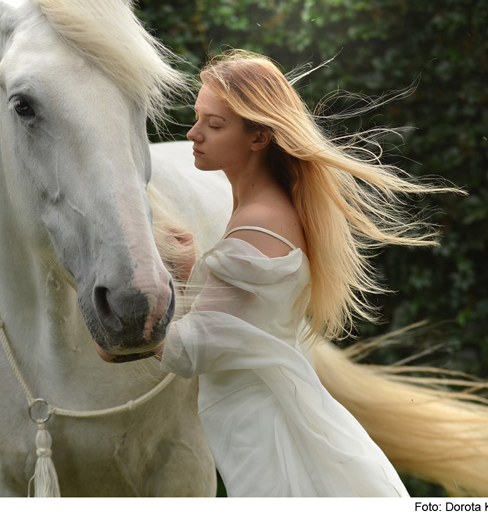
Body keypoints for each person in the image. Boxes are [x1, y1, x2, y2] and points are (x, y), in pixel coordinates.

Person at [150, 50, 459, 497]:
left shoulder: (257, 223)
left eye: (214, 125)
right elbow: (247, 320)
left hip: (266, 433)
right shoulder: (267, 210)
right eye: (197, 117)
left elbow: (188, 352)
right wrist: (188, 269)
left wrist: (124, 334)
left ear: (259, 138)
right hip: (263, 416)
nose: (193, 134)